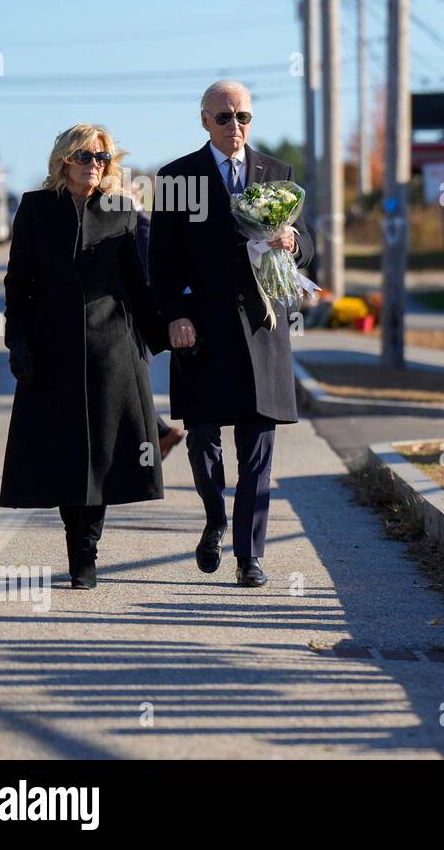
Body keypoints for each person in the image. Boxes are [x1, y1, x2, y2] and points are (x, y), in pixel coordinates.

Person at [149, 80, 314, 588]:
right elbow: (162, 260)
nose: (235, 127)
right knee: (203, 438)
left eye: (243, 117)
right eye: (224, 118)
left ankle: (250, 555)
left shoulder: (277, 174)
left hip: (262, 328)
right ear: (204, 121)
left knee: (258, 446)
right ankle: (215, 520)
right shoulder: (178, 177)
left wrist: (292, 240)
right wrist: (175, 315)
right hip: (200, 330)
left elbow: (307, 246)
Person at [0, 124, 169, 589]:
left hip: (112, 349)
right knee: (65, 454)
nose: (95, 164)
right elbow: (19, 283)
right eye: (86, 156)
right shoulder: (36, 209)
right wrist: (18, 342)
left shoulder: (121, 211)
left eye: (102, 157)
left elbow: (140, 285)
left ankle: (86, 554)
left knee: (102, 456)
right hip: (52, 350)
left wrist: (168, 333)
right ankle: (76, 541)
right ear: (64, 160)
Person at [133, 201, 185, 458]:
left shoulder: (141, 227)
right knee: (135, 383)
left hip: (139, 320)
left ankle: (161, 433)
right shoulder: (141, 224)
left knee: (135, 383)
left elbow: (148, 274)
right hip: (140, 318)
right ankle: (160, 434)